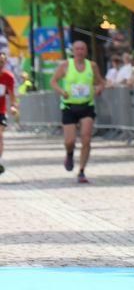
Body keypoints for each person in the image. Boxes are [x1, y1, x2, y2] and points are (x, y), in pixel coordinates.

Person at [50, 40, 105, 183]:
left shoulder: (92, 66)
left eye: (82, 49)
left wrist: (98, 89)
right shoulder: (65, 65)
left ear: (86, 51)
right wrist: (62, 92)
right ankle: (69, 154)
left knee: (86, 138)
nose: (80, 51)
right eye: (77, 49)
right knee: (70, 141)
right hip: (69, 106)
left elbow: (100, 82)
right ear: (73, 51)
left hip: (87, 106)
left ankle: (81, 171)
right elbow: (53, 81)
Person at [0, 51, 16, 177]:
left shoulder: (8, 77)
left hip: (1, 111)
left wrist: (13, 106)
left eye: (2, 61)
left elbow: (11, 94)